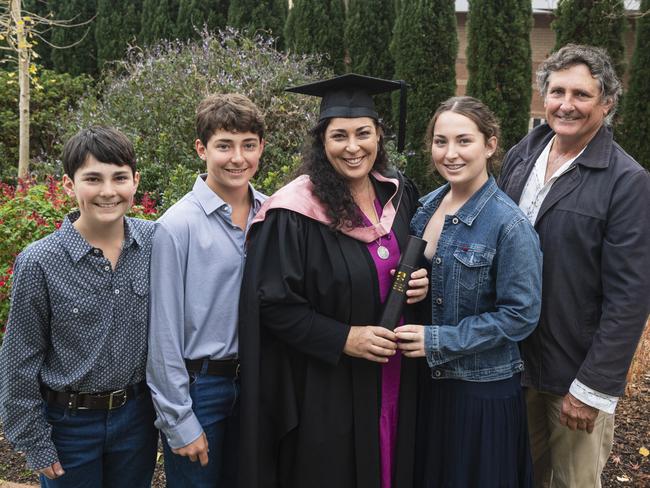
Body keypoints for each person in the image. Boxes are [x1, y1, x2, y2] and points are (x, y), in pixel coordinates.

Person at [238, 73, 429, 488]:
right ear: (322, 142)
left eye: (363, 133)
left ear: (379, 135)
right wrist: (343, 338)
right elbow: (271, 302)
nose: (353, 146)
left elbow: (407, 263)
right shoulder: (293, 212)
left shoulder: (397, 193)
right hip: (330, 383)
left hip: (397, 372)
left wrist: (421, 284)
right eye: (339, 135)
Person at [498, 44, 650, 487]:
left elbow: (630, 295)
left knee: (572, 483)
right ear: (543, 97)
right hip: (512, 363)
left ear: (606, 103)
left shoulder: (627, 182)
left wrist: (592, 388)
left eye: (582, 95)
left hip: (572, 377)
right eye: (557, 91)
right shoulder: (521, 156)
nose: (567, 105)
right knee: (515, 475)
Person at [395, 96, 543, 487]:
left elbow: (520, 315)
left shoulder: (508, 225)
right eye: (440, 141)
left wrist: (437, 339)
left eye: (464, 141)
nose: (450, 153)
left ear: (490, 145)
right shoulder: (424, 207)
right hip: (426, 384)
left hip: (479, 393)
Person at [0, 127, 157, 487]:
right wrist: (34, 443)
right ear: (70, 185)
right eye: (92, 179)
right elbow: (19, 360)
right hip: (68, 426)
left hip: (136, 419)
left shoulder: (154, 242)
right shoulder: (39, 261)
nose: (108, 191)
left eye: (119, 177)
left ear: (135, 181)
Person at [146, 93, 266, 488]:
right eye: (224, 146)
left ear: (261, 147)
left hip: (258, 382)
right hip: (202, 390)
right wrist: (179, 419)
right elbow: (162, 333)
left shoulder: (275, 214)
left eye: (248, 145)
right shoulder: (176, 226)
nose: (238, 158)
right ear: (202, 149)